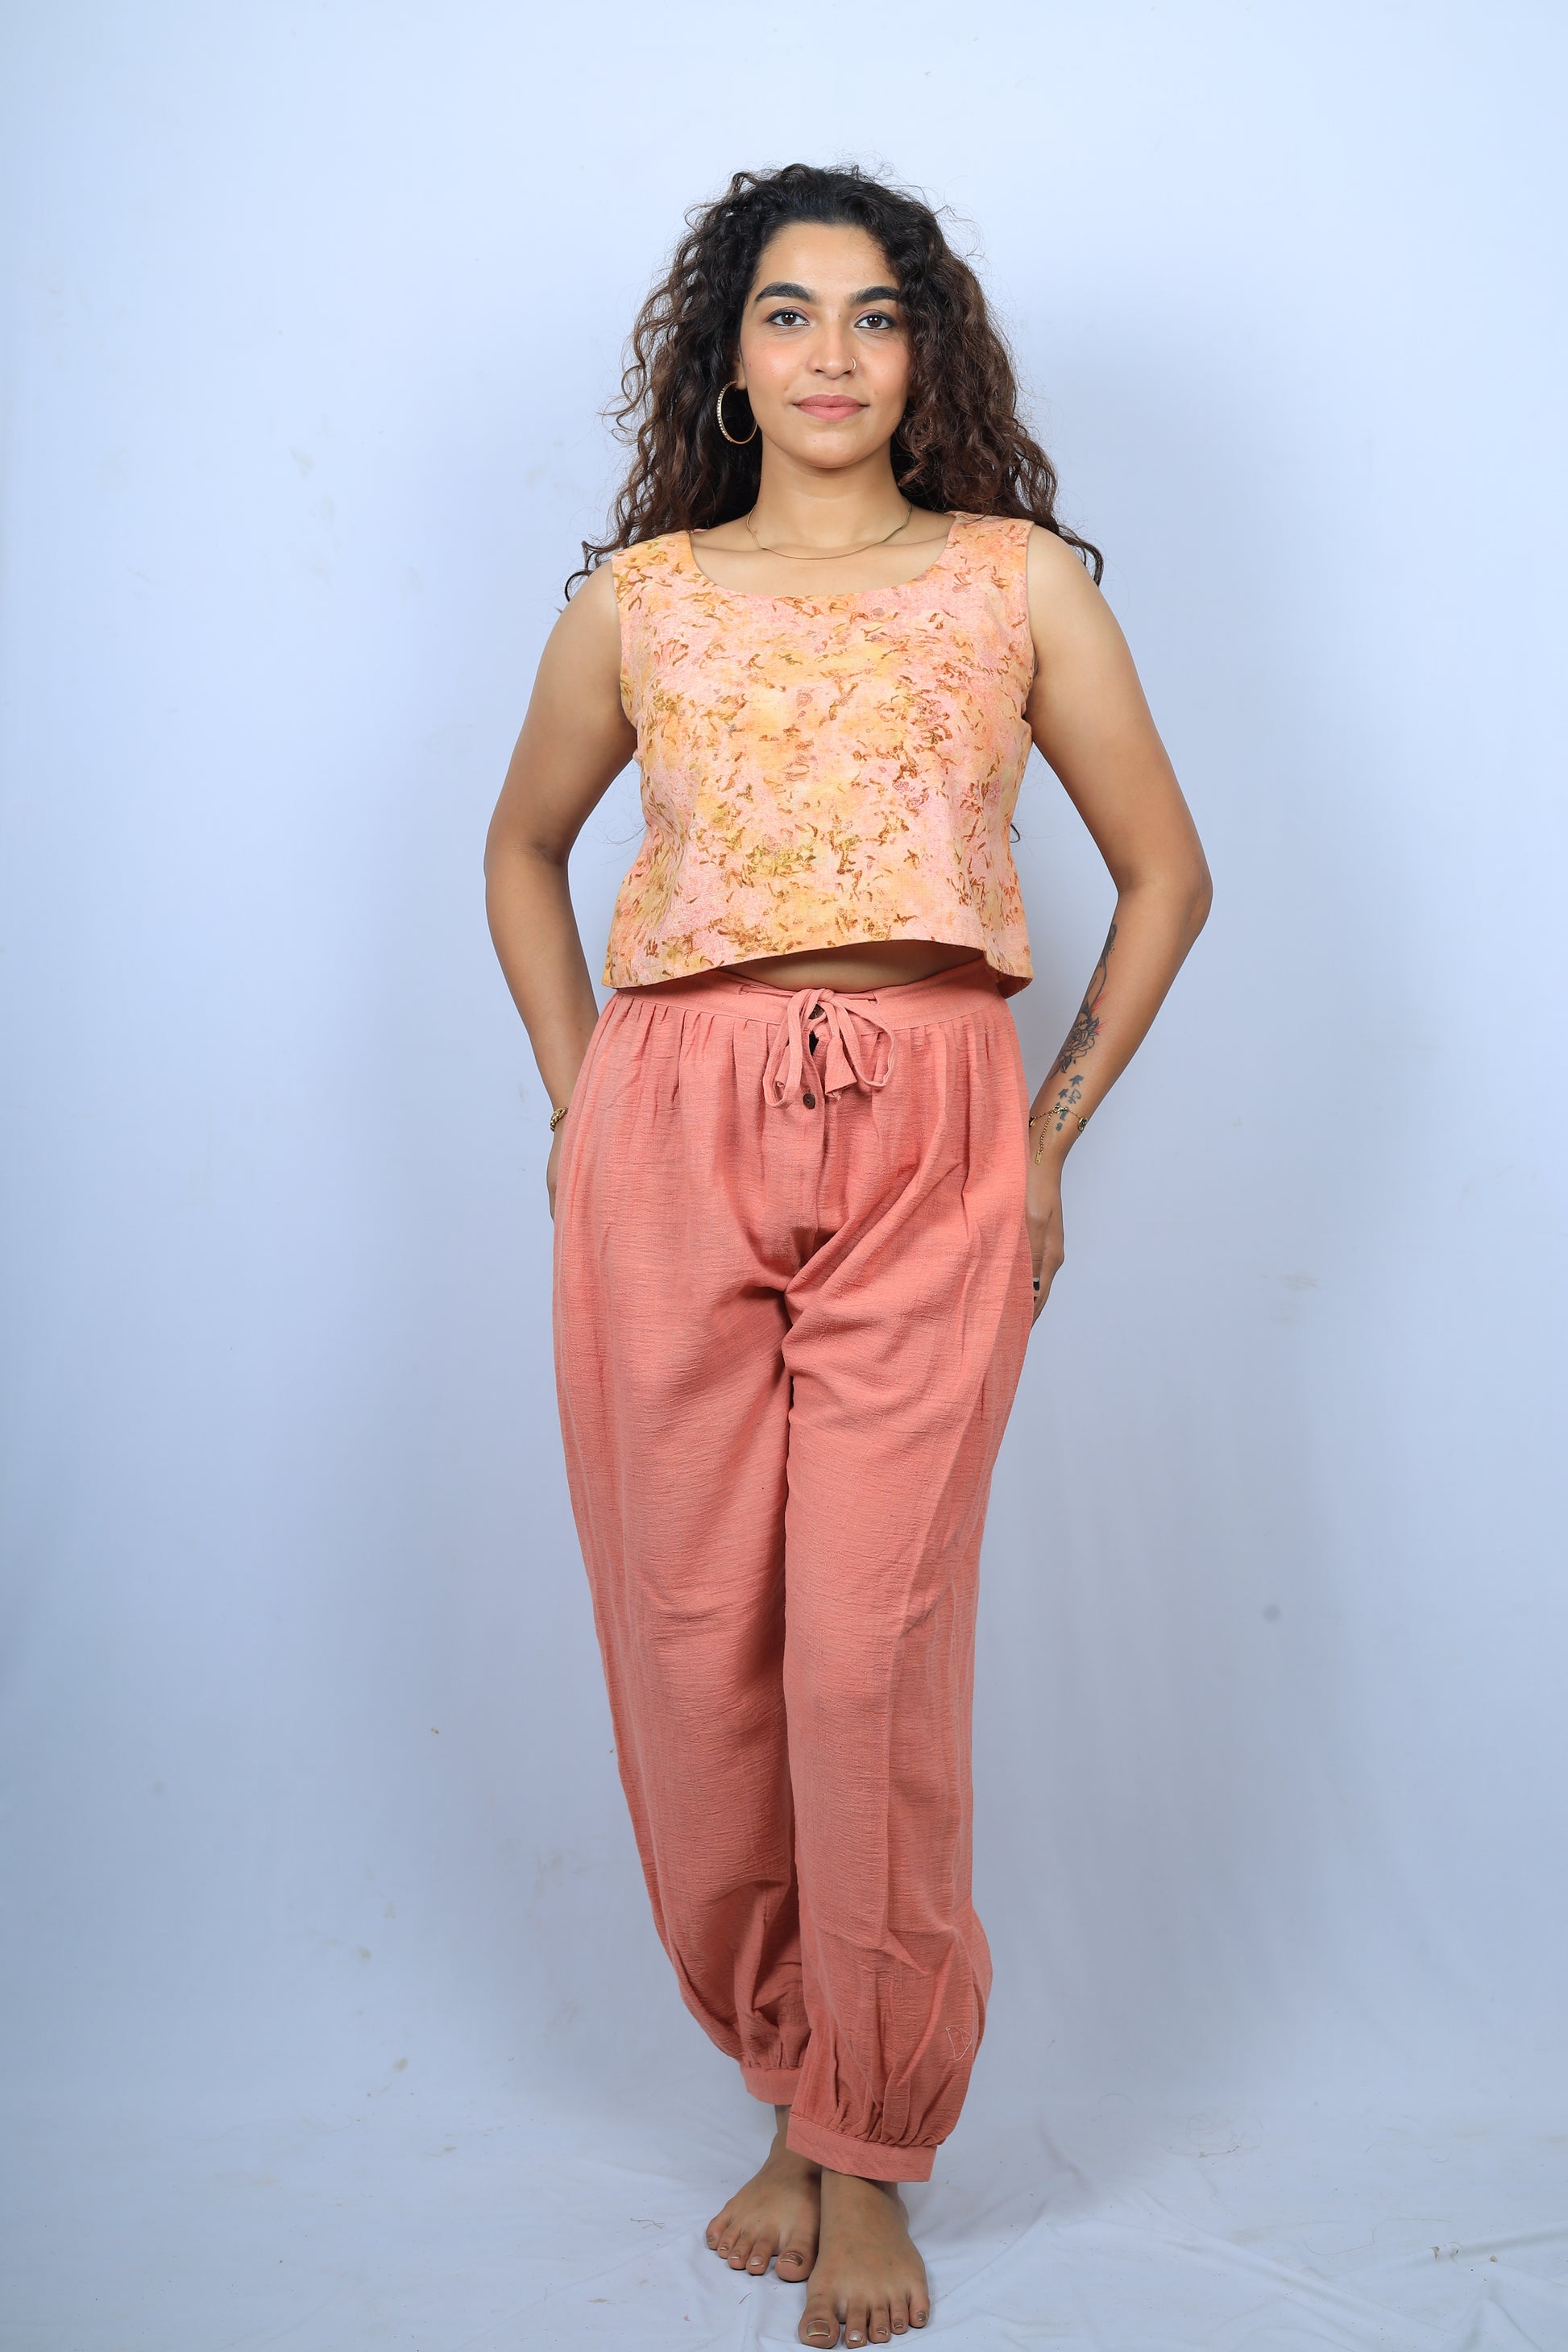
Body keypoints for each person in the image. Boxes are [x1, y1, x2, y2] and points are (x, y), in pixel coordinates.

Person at [484, 161, 1212, 2350]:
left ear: (927, 354)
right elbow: (523, 847)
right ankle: (787, 2083)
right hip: (670, 1123)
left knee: (864, 1658)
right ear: (726, 357)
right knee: (695, 1644)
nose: (830, 352)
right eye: (787, 313)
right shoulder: (642, 599)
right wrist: (581, 1104)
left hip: (930, 1119)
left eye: (874, 314)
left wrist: (1043, 1144)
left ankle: (872, 2145)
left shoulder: (1014, 582)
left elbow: (1164, 876)